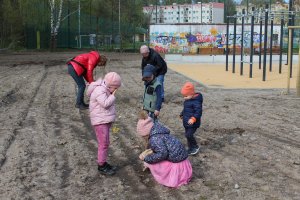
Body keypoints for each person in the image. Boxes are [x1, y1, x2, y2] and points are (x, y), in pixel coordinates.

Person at [136, 111, 192, 188]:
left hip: (176, 163)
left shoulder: (154, 139)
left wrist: (147, 159)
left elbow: (162, 154)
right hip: (183, 160)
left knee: (153, 160)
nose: (143, 138)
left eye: (143, 136)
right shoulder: (159, 131)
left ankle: (163, 174)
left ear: (146, 133)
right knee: (155, 154)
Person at [86, 72, 121, 176]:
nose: (116, 91)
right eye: (115, 88)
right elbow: (105, 104)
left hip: (103, 120)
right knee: (103, 144)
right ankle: (101, 166)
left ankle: (104, 162)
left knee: (105, 143)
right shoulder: (99, 90)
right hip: (100, 122)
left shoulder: (104, 89)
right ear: (110, 86)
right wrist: (113, 96)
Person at [180, 82, 203, 156]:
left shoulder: (196, 102)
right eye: (183, 96)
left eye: (186, 96)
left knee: (189, 135)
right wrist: (182, 113)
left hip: (193, 123)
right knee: (187, 135)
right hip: (186, 122)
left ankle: (195, 147)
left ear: (191, 94)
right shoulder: (188, 100)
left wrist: (193, 119)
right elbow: (185, 109)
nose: (184, 98)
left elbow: (198, 112)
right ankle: (190, 148)